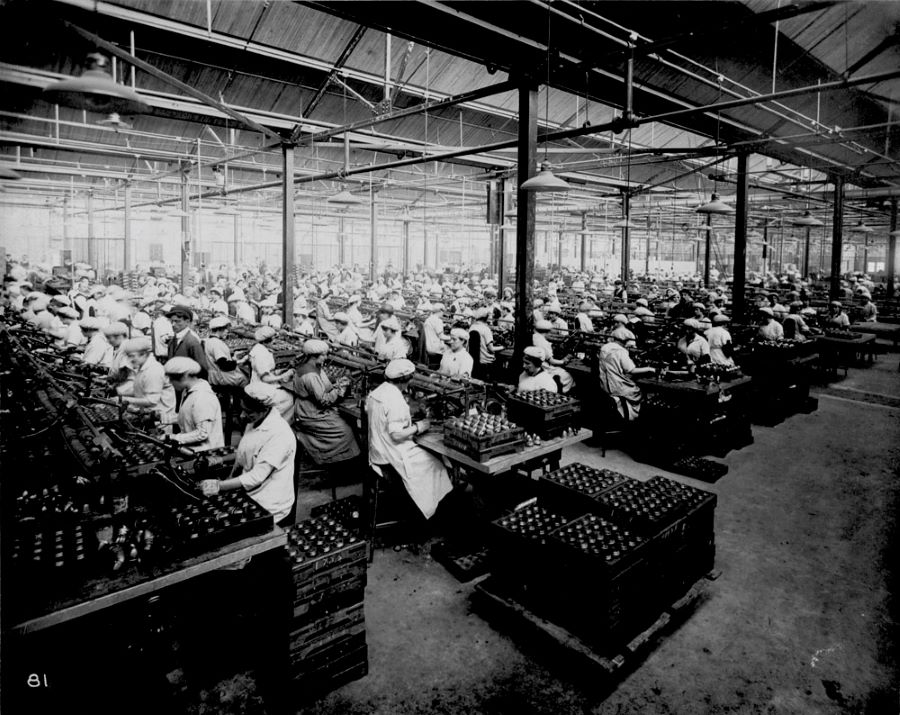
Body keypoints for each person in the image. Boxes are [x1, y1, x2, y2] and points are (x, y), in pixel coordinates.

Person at [366, 358, 452, 521]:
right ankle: (428, 513)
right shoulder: (395, 398)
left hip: (378, 451)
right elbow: (397, 435)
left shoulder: (376, 393)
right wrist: (421, 426)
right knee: (439, 465)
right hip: (392, 455)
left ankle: (427, 507)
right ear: (405, 379)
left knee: (433, 460)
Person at [200, 383, 296, 527]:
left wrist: (218, 486)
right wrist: (221, 460)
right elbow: (248, 449)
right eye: (242, 410)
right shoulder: (255, 421)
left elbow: (256, 477)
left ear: (264, 410)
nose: (243, 415)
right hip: (249, 491)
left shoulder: (280, 435)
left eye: (249, 412)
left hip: (269, 503)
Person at [292, 339, 360, 467]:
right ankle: (329, 460)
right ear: (314, 356)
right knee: (345, 430)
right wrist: (341, 389)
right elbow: (324, 400)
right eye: (324, 355)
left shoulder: (311, 367)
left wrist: (337, 384)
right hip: (310, 413)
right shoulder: (310, 375)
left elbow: (323, 387)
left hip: (309, 407)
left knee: (349, 420)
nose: (326, 357)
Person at [163, 357, 225, 451]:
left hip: (206, 453)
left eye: (172, 379)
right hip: (192, 450)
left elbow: (202, 433)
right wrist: (160, 418)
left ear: (185, 376)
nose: (170, 382)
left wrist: (171, 437)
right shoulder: (188, 392)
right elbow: (188, 417)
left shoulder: (203, 397)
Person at [597, 325, 656, 421]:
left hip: (605, 385)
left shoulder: (605, 348)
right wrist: (649, 369)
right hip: (617, 386)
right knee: (638, 392)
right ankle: (634, 418)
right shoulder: (621, 351)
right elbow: (631, 370)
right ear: (624, 341)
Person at [204, 316, 247, 443]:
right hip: (222, 379)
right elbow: (224, 365)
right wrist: (239, 361)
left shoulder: (209, 341)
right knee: (246, 381)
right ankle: (241, 418)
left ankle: (238, 414)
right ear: (220, 330)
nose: (227, 332)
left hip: (215, 377)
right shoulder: (217, 344)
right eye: (226, 330)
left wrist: (233, 356)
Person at [118, 337, 176, 426]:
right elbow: (142, 389)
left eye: (132, 356)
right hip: (147, 415)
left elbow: (151, 401)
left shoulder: (153, 370)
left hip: (159, 421)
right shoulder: (142, 367)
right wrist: (121, 394)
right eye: (129, 356)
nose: (130, 359)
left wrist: (125, 399)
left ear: (144, 354)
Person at [247, 326, 295, 424]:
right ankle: (274, 423)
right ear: (266, 341)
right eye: (273, 339)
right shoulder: (261, 354)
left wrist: (279, 372)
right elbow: (265, 378)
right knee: (291, 399)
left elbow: (266, 370)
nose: (274, 342)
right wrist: (284, 375)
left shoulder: (258, 348)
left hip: (259, 384)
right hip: (263, 388)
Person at [165, 306, 209, 378]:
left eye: (177, 321)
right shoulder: (173, 341)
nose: (173, 324)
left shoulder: (192, 341)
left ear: (187, 322)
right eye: (172, 321)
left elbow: (202, 368)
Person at [469, 307, 503, 380]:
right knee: (501, 359)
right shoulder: (486, 329)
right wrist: (503, 347)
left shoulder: (472, 327)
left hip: (475, 361)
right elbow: (491, 349)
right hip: (486, 362)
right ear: (486, 318)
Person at [104, 321, 134, 395]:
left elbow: (124, 371)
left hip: (127, 387)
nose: (108, 341)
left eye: (109, 338)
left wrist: (111, 382)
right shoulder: (120, 348)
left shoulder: (126, 348)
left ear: (118, 336)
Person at [422, 302, 447, 369]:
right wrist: (451, 337)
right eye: (443, 311)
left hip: (428, 346)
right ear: (441, 311)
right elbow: (441, 336)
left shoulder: (428, 319)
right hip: (435, 348)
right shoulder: (438, 321)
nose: (443, 313)